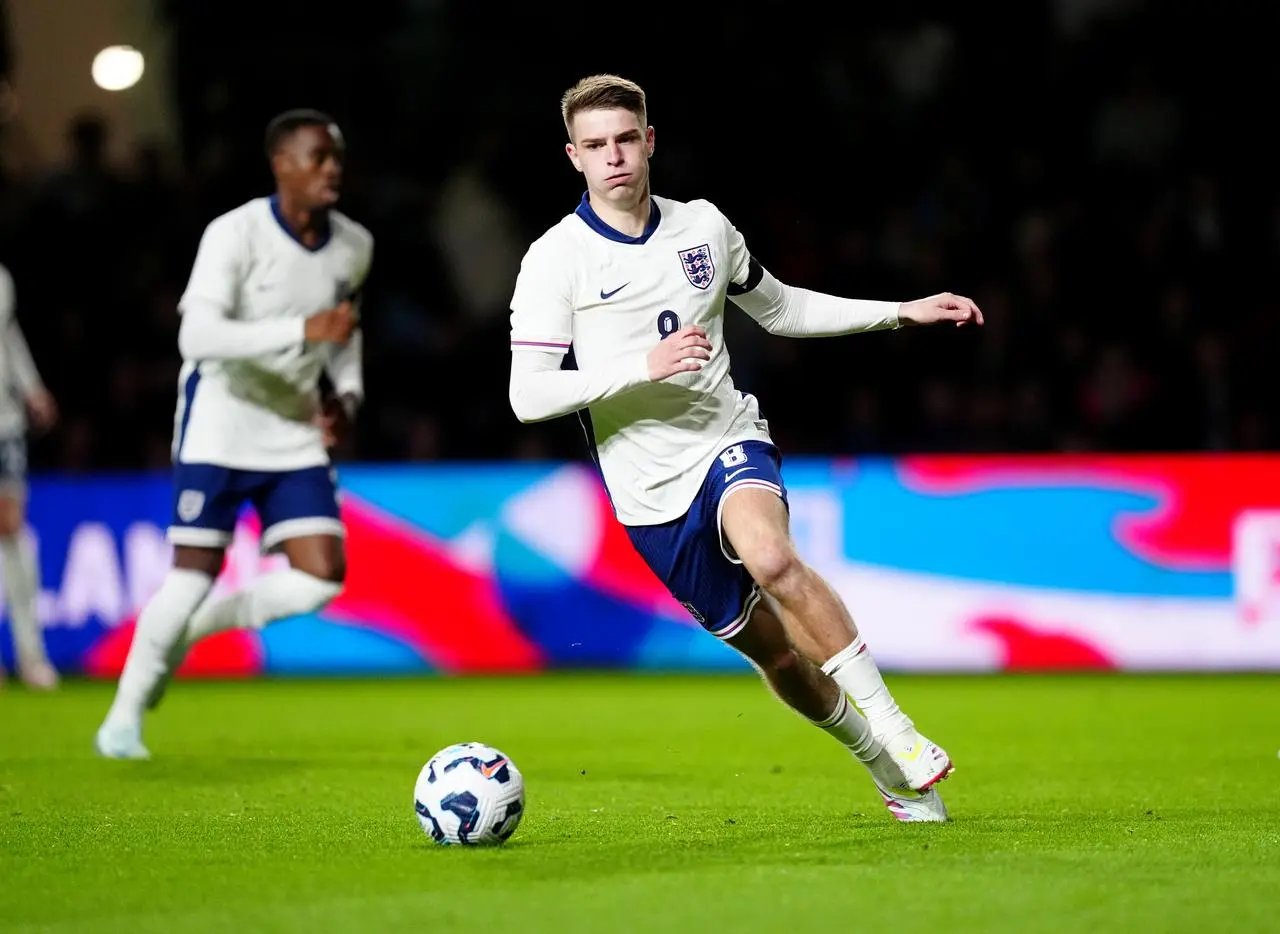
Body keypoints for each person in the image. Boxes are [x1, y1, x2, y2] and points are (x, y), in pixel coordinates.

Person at [508, 75, 984, 822]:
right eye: (596, 145)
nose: (614, 157)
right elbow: (527, 395)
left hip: (725, 436)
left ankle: (900, 729)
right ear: (574, 157)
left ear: (650, 141)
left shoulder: (702, 227)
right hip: (646, 490)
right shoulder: (554, 259)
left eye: (626, 139)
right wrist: (641, 367)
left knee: (772, 557)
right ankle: (884, 764)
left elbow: (782, 308)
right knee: (779, 657)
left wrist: (901, 311)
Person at [95, 109, 373, 759]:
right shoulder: (234, 233)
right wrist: (300, 331)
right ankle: (124, 718)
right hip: (220, 421)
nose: (332, 168)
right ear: (281, 164)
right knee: (192, 575)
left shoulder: (354, 245)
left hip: (294, 426)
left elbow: (344, 333)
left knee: (322, 578)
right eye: (317, 156)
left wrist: (348, 397)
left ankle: (197, 630)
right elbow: (196, 336)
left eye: (336, 156)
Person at [0, 260, 60, 689]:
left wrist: (31, 387)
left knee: (11, 527)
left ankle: (31, 655)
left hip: (4, 423)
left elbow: (8, 335)